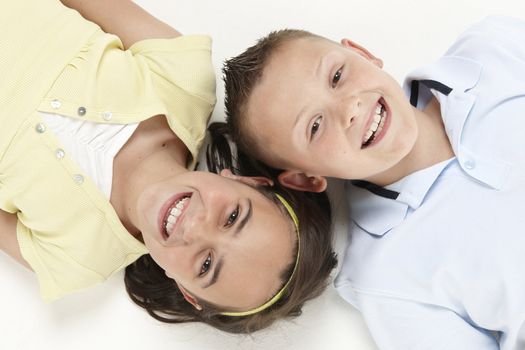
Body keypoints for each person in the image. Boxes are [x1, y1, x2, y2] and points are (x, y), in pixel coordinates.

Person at [0, 0, 337, 334]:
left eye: (206, 266)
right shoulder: (184, 82)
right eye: (232, 217)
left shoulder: (75, 262)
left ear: (187, 292)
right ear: (248, 182)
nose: (194, 229)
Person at [221, 15, 525, 348]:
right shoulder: (385, 277)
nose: (348, 108)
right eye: (315, 127)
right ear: (307, 178)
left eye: (337, 76)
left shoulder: (493, 47)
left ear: (363, 54)